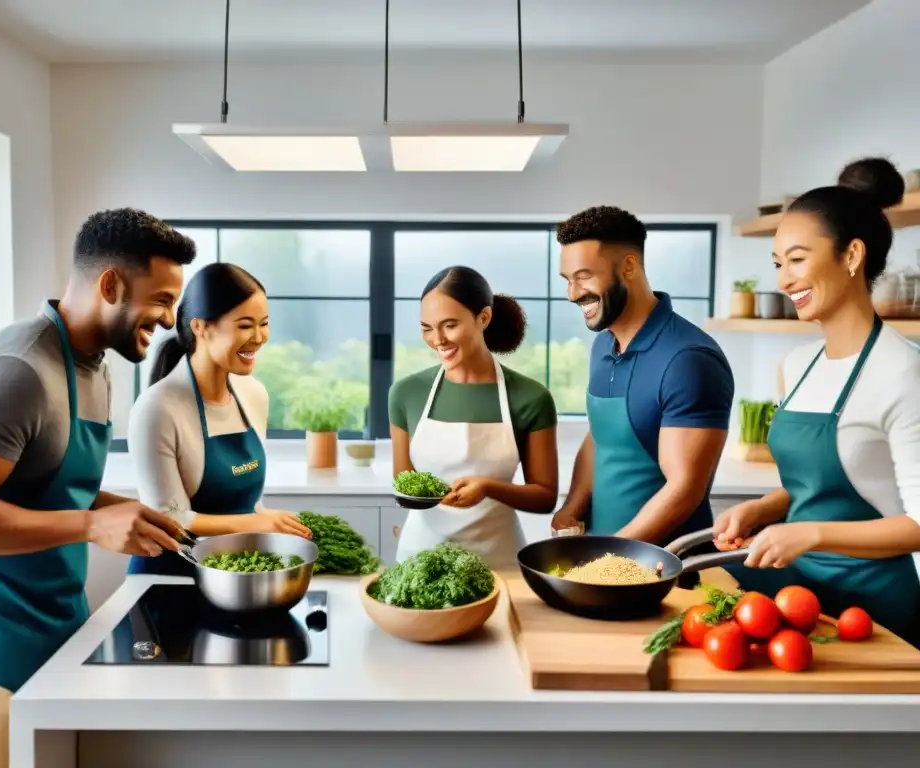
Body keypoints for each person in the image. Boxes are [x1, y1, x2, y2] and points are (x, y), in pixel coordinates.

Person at [0, 208, 194, 768]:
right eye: (161, 300)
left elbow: (50, 485)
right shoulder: (16, 368)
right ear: (110, 284)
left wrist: (126, 512)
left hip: (53, 623)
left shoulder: (96, 364)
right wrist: (93, 525)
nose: (169, 320)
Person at [713, 157, 920, 647]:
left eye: (798, 259)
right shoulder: (798, 364)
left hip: (875, 612)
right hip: (798, 595)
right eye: (779, 264)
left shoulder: (904, 372)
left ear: (852, 256)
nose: (785, 280)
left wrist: (811, 533)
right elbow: (817, 484)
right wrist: (764, 508)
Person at [550, 206, 735, 549]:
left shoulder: (689, 359)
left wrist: (610, 556)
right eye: (568, 280)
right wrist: (572, 507)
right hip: (601, 554)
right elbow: (600, 437)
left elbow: (684, 489)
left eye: (584, 276)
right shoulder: (603, 345)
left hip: (665, 567)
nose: (573, 293)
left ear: (629, 267)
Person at [127, 262, 311, 577]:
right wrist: (256, 522)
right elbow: (169, 519)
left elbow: (246, 505)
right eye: (244, 325)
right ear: (201, 327)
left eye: (264, 323)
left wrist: (273, 524)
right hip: (168, 581)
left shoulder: (253, 394)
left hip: (231, 574)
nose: (259, 337)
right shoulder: (157, 408)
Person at [388, 266, 559, 569]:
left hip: (498, 561)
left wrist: (488, 487)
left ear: (484, 318)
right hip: (420, 559)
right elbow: (403, 482)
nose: (437, 339)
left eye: (449, 325)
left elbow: (544, 496)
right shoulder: (406, 393)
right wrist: (418, 508)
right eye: (427, 328)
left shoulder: (531, 397)